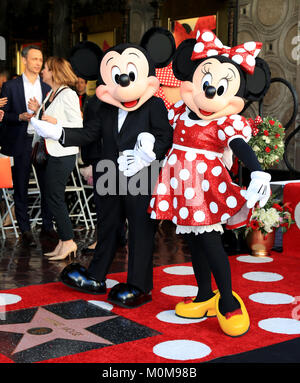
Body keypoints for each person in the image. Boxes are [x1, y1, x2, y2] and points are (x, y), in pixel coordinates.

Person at [148, 29, 272, 337]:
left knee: (210, 241)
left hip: (206, 190)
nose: (211, 91)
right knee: (193, 241)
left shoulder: (225, 120)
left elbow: (240, 145)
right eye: (207, 83)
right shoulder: (179, 111)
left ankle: (228, 300)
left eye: (220, 87)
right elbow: (162, 134)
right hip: (180, 185)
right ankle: (205, 295)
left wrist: (257, 170)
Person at [29, 57, 83, 260]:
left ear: (54, 71)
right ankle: (63, 241)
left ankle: (68, 241)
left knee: (54, 197)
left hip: (63, 154)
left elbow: (78, 125)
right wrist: (37, 111)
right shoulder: (52, 93)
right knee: (52, 197)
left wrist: (55, 121)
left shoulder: (67, 94)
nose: (42, 71)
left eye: (45, 68)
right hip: (53, 153)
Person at [0, 45, 54, 246]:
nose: (38, 63)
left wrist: (40, 111)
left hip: (42, 142)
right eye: (34, 59)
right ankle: (25, 230)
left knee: (47, 186)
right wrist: (19, 117)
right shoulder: (11, 87)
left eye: (40, 60)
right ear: (24, 60)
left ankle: (47, 226)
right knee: (21, 187)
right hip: (20, 142)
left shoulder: (47, 88)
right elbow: (3, 116)